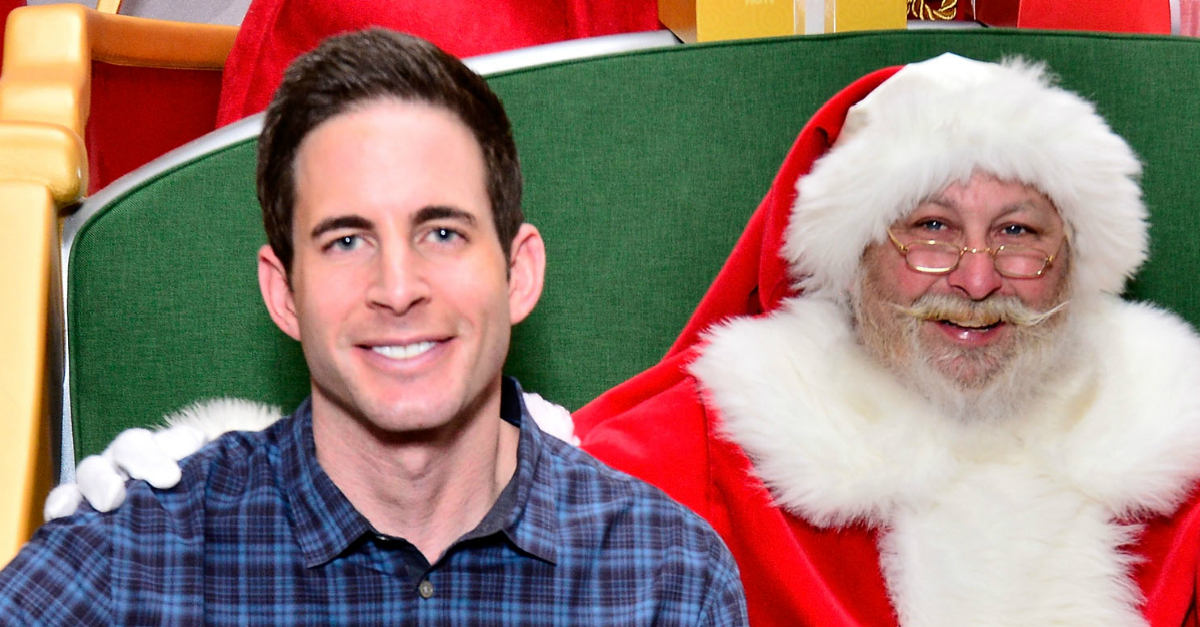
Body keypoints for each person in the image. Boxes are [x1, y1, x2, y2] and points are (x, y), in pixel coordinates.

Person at [55, 53, 1200, 626]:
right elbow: (446, 461)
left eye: (1021, 234)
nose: (978, 279)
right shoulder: (716, 444)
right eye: (930, 230)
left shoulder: (1173, 441)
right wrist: (185, 482)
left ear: (1081, 262)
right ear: (849, 260)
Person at [0, 28, 748, 626]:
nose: (397, 289)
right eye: (347, 241)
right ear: (284, 293)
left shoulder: (663, 577)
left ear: (518, 273)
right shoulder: (131, 559)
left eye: (443, 233)